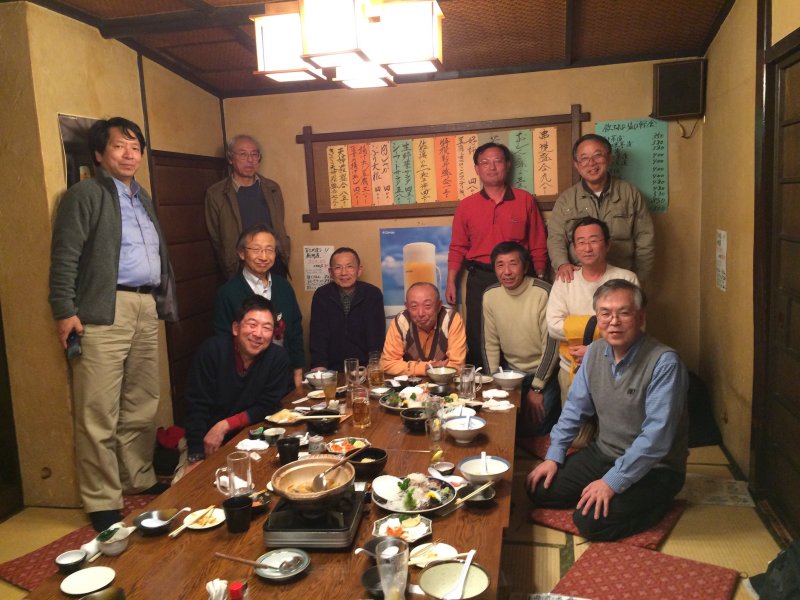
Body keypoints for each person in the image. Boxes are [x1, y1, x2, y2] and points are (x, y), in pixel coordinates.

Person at [48, 117, 178, 532]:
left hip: (145, 305)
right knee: (98, 410)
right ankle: (102, 498)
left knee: (142, 401)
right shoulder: (85, 194)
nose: (129, 154)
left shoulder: (142, 196)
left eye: (135, 147)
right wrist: (64, 310)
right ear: (100, 154)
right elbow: (65, 256)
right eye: (120, 146)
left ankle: (137, 476)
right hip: (104, 309)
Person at [527, 280, 688, 541]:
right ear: (597, 318)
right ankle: (607, 490)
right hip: (605, 452)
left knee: (589, 522)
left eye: (624, 313)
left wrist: (611, 481)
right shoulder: (594, 353)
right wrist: (553, 456)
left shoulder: (664, 363)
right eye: (605, 313)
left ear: (641, 317)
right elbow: (574, 409)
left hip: (657, 468)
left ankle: (660, 503)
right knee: (539, 488)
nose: (614, 321)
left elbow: (656, 439)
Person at [446, 142, 548, 367]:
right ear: (477, 169)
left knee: (519, 329)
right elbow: (457, 247)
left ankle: (521, 380)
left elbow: (538, 243)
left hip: (519, 277)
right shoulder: (466, 206)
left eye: (497, 161)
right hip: (480, 277)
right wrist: (451, 281)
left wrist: (540, 278)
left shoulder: (525, 200)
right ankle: (484, 382)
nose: (491, 167)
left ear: (507, 165)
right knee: (479, 334)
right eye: (485, 162)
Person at [185, 296, 292, 466]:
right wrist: (196, 456)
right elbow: (196, 407)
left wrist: (226, 425)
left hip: (253, 439)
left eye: (266, 328)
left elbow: (268, 405)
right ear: (236, 328)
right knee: (191, 481)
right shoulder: (212, 351)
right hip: (207, 439)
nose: (258, 334)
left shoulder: (278, 358)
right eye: (252, 325)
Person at [546, 217, 639, 409]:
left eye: (594, 241)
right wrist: (608, 327)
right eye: (581, 242)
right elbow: (554, 327)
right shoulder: (565, 280)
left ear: (607, 244)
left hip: (617, 368)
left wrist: (595, 350)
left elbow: (635, 328)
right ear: (574, 248)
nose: (587, 248)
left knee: (614, 426)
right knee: (575, 427)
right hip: (572, 368)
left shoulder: (626, 279)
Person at [547, 133, 655, 284]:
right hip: (580, 279)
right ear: (577, 165)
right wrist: (562, 264)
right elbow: (556, 238)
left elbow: (645, 240)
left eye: (597, 155)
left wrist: (637, 280)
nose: (591, 163)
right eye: (584, 158)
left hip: (621, 277)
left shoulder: (630, 193)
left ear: (609, 158)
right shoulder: (566, 199)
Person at [482, 242, 560, 434]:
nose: (507, 272)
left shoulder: (543, 292)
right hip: (510, 373)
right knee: (499, 423)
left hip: (543, 373)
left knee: (536, 427)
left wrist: (537, 388)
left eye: (513, 264)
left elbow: (552, 345)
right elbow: (490, 343)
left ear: (525, 267)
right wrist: (494, 383)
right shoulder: (490, 295)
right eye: (500, 265)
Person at [212, 224, 304, 388]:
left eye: (269, 250)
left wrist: (297, 370)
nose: (264, 256)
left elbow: (295, 330)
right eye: (256, 249)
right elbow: (223, 339)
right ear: (242, 253)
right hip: (247, 380)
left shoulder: (283, 287)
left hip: (283, 374)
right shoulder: (227, 292)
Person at [205, 134, 290, 279]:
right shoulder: (216, 193)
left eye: (254, 154)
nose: (250, 160)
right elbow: (216, 236)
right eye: (243, 154)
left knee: (277, 293)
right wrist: (228, 260)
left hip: (273, 262)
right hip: (238, 265)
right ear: (230, 158)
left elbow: (279, 223)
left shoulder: (272, 188)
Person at [309, 247, 386, 370]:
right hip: (331, 368)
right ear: (330, 272)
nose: (344, 273)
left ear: (359, 270)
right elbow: (318, 336)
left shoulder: (372, 294)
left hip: (365, 367)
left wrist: (373, 366)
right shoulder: (322, 295)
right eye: (338, 267)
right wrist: (319, 366)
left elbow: (376, 336)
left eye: (349, 267)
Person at [381, 282, 466, 377]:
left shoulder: (451, 320)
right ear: (407, 307)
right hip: (411, 384)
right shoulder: (401, 321)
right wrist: (425, 368)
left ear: (439, 306)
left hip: (445, 383)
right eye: (414, 306)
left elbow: (457, 366)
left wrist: (409, 368)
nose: (421, 313)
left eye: (427, 305)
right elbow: (387, 363)